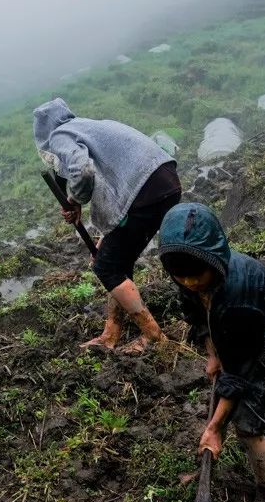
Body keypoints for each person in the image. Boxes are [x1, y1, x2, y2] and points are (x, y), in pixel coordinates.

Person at [157, 202, 265, 502]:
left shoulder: (238, 300)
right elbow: (198, 316)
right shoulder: (188, 276)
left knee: (248, 427)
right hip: (239, 337)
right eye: (183, 279)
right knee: (235, 401)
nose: (191, 284)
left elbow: (238, 373)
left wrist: (214, 427)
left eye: (198, 277)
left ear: (216, 259)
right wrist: (212, 354)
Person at [33, 97, 182, 354]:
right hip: (165, 183)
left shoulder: (59, 135)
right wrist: (82, 207)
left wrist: (74, 198)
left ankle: (153, 336)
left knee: (107, 266)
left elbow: (83, 171)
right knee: (115, 261)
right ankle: (111, 333)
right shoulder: (87, 126)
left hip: (143, 191)